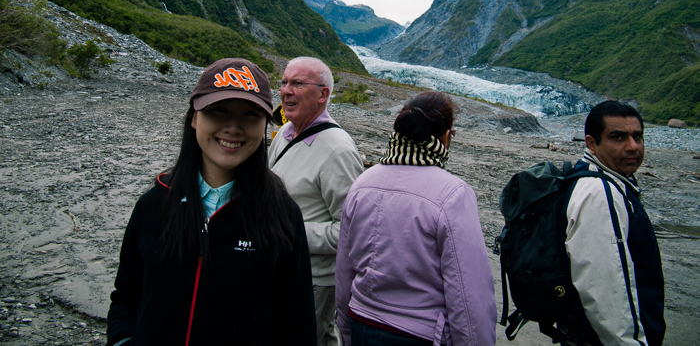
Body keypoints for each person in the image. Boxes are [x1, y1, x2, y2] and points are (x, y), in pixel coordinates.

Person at [106, 58, 316, 345]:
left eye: (250, 114)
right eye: (218, 111)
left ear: (264, 126)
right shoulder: (154, 204)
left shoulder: (281, 213)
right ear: (194, 117)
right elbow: (127, 296)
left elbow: (298, 320)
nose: (233, 127)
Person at [335, 91, 497, 345]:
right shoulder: (453, 194)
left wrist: (344, 329)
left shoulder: (362, 183)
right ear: (445, 136)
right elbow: (468, 292)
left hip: (361, 322)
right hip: (418, 334)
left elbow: (345, 268)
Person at [268, 56, 364, 346]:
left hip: (313, 281)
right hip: (277, 267)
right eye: (284, 82)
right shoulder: (283, 134)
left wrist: (289, 230)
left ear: (324, 94)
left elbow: (353, 231)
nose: (286, 90)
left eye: (297, 83)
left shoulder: (337, 151)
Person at [562, 100, 665, 345]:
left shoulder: (602, 179)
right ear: (591, 143)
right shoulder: (600, 193)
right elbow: (606, 289)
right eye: (618, 137)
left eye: (637, 137)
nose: (632, 146)